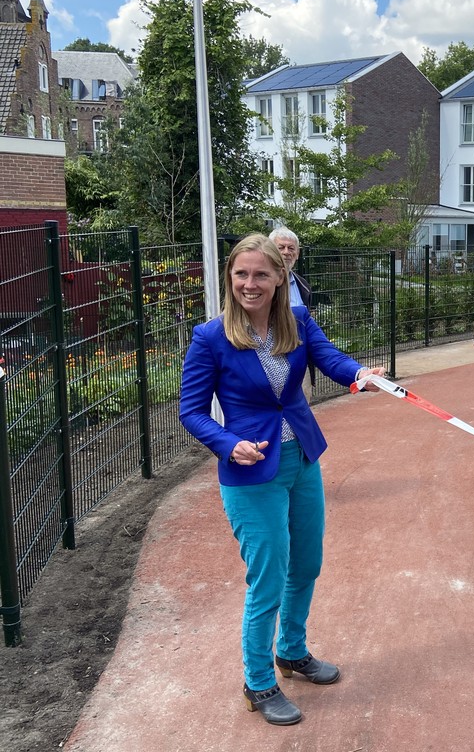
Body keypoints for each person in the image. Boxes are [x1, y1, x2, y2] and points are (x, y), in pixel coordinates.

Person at [179, 234, 383, 726]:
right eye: (241, 274)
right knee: (267, 577)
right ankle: (258, 681)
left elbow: (331, 360)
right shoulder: (211, 336)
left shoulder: (297, 322)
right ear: (231, 279)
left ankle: (292, 652)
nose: (250, 284)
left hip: (302, 459)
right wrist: (229, 444)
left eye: (261, 275)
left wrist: (361, 374)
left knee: (307, 563)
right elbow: (189, 411)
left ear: (279, 279)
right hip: (251, 473)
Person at [269, 227, 314, 403]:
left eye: (291, 248)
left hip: (299, 362)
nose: (286, 252)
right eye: (281, 247)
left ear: (297, 253)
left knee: (302, 411)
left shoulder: (303, 286)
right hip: (270, 360)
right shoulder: (258, 286)